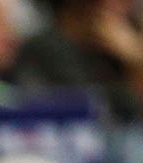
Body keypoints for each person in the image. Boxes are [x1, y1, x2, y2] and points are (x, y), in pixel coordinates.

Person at [15, 0, 143, 124]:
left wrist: (134, 58)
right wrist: (135, 60)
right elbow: (95, 111)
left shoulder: (117, 48)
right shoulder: (45, 48)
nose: (121, 8)